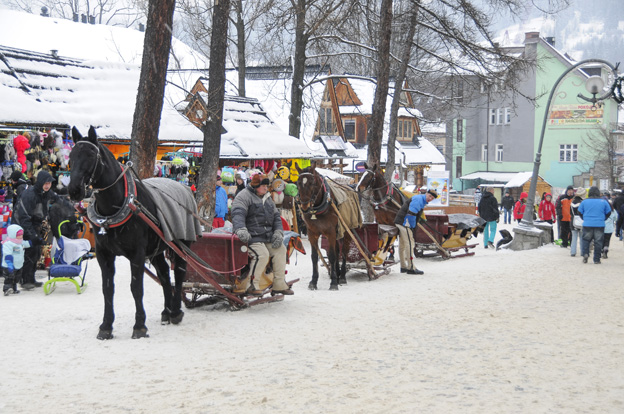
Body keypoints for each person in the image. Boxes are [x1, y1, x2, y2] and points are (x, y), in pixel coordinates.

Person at [231, 173, 292, 295]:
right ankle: (252, 285)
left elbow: (276, 217)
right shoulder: (244, 196)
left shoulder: (267, 197)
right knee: (262, 255)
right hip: (251, 236)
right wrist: (241, 229)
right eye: (263, 186)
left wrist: (278, 232)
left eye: (266, 185)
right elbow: (238, 214)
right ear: (255, 186)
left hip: (266, 236)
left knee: (280, 250)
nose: (265, 188)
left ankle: (279, 284)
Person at [12, 171, 60, 289]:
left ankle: (31, 278)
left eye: (49, 183)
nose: (48, 185)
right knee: (30, 250)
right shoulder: (30, 194)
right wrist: (32, 234)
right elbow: (24, 217)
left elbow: (57, 198)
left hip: (34, 223)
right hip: (21, 225)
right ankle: (24, 280)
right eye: (45, 183)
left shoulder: (46, 193)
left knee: (37, 251)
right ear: (40, 182)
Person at [394, 189, 438, 274]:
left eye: (432, 198)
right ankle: (411, 267)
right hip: (405, 222)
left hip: (400, 221)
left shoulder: (420, 199)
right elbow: (411, 214)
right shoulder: (418, 200)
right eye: (430, 196)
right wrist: (412, 227)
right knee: (410, 243)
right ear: (426, 194)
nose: (430, 198)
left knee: (403, 244)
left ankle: (403, 266)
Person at [578, 186, 611, 264]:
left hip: (587, 224)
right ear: (598, 193)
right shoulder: (603, 202)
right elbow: (609, 212)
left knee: (586, 240)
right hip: (599, 224)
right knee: (598, 242)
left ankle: (585, 254)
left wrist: (584, 218)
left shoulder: (584, 202)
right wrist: (603, 218)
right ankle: (596, 259)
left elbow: (579, 212)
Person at [2, 224, 32, 295]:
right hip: (9, 265)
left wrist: (35, 241)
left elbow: (27, 244)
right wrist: (9, 263)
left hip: (18, 265)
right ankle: (7, 289)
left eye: (21, 234)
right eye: (19, 235)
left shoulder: (20, 242)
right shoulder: (8, 244)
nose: (21, 236)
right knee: (9, 277)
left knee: (16, 277)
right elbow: (7, 254)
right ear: (13, 234)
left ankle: (14, 288)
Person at [569, 190, 584, 257]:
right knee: (581, 237)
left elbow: (570, 213)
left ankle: (573, 252)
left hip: (573, 221)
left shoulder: (572, 203)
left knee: (574, 237)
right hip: (581, 221)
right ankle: (582, 252)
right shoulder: (582, 203)